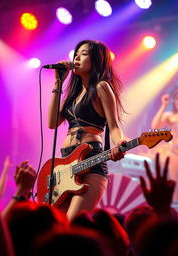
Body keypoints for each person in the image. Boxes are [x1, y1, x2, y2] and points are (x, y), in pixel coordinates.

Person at [47, 39, 127, 220]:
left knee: (72, 225)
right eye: (76, 54)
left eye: (83, 54)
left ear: (96, 60)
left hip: (91, 162)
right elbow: (52, 123)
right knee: (55, 228)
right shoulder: (73, 94)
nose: (77, 57)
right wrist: (58, 83)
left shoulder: (102, 87)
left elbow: (114, 126)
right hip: (66, 165)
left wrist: (120, 142)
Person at [151, 80, 178, 202]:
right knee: (175, 181)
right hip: (174, 152)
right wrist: (164, 105)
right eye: (177, 98)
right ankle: (174, 203)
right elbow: (155, 126)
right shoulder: (170, 115)